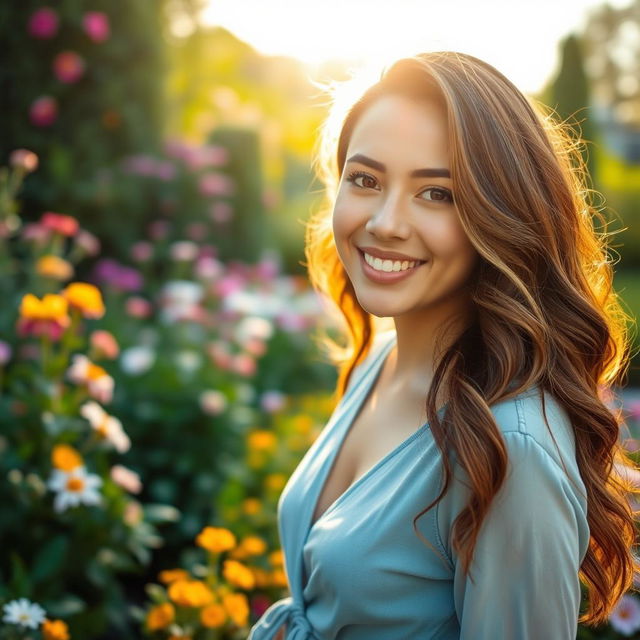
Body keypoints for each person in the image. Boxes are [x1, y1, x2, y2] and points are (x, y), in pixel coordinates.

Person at [248, 51, 638, 639]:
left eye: (437, 193)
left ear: (500, 215)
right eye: (365, 179)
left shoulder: (513, 448)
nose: (385, 221)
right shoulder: (380, 361)